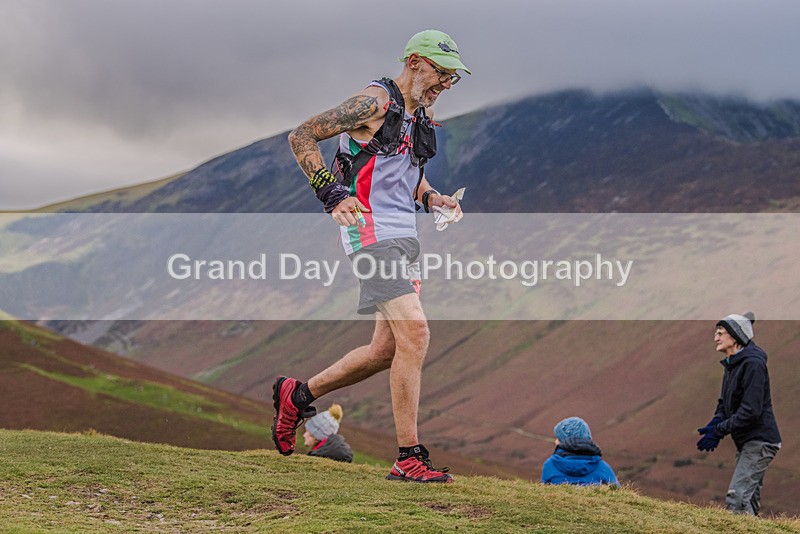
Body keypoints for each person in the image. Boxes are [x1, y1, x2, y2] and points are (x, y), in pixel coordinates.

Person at [273, 29, 470, 483]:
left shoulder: (423, 112)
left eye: (453, 79)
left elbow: (401, 174)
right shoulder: (374, 102)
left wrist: (433, 197)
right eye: (442, 73)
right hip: (368, 231)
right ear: (417, 61)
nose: (445, 84)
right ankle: (408, 457)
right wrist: (331, 193)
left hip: (405, 235)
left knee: (387, 349)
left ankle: (298, 396)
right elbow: (301, 135)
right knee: (416, 334)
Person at [696, 312, 781, 516]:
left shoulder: (753, 364)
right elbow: (725, 403)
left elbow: (751, 411)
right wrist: (715, 422)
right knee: (748, 501)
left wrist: (719, 430)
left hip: (760, 441)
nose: (716, 338)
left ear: (735, 336)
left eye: (720, 333)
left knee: (737, 498)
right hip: (747, 442)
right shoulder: (732, 364)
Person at [541, 417, 619, 487]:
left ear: (563, 442)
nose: (555, 441)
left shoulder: (550, 465)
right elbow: (617, 493)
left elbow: (543, 494)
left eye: (558, 438)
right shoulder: (602, 467)